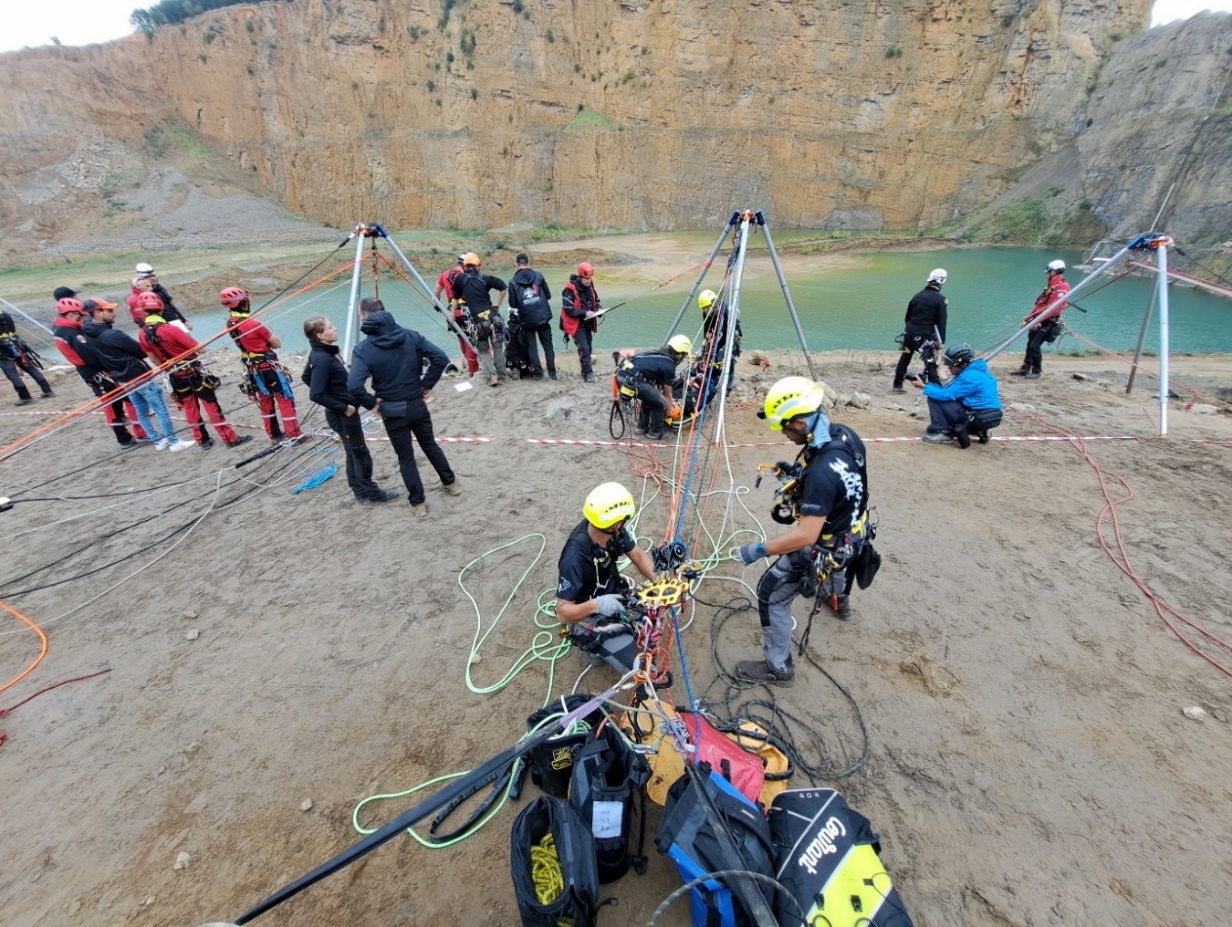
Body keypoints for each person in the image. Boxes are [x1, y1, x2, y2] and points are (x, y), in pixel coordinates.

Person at [735, 377, 872, 686]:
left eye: (785, 427)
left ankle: (777, 667)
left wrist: (759, 550)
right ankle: (840, 601)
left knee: (772, 594)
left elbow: (806, 536)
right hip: (853, 532)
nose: (784, 433)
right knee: (838, 562)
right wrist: (798, 472)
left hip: (824, 544)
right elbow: (847, 484)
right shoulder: (844, 435)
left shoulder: (822, 474)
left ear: (800, 422)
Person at [347, 299, 461, 517]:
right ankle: (451, 483)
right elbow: (440, 358)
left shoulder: (363, 348)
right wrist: (426, 384)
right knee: (430, 445)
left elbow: (353, 386)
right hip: (415, 404)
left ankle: (418, 504)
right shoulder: (411, 335)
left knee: (405, 456)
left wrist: (371, 403)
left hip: (392, 410)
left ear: (366, 319)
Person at [555, 482, 657, 674]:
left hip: (614, 594)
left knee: (652, 626)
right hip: (587, 613)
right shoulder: (574, 558)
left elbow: (638, 556)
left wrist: (661, 582)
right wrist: (597, 605)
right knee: (643, 669)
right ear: (617, 523)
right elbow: (562, 612)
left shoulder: (612, 531)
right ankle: (594, 646)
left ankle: (613, 639)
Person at [136, 292, 252, 451]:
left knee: (190, 408)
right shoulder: (171, 329)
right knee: (211, 405)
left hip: (174, 375)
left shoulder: (142, 334)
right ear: (161, 308)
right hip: (193, 372)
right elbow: (201, 350)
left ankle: (202, 440)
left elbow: (155, 360)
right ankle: (229, 438)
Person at [302, 316, 398, 504]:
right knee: (360, 453)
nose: (335, 328)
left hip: (343, 412)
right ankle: (372, 494)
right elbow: (315, 394)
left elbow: (307, 377)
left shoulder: (321, 353)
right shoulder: (323, 359)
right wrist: (343, 406)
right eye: (330, 327)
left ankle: (359, 492)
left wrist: (334, 391)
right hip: (343, 415)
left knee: (353, 451)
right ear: (320, 335)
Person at [82, 300, 193, 451]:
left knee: (141, 409)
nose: (114, 313)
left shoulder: (88, 333)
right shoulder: (113, 334)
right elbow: (141, 351)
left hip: (121, 378)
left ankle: (158, 441)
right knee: (160, 409)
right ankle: (173, 442)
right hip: (137, 375)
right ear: (97, 313)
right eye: (109, 311)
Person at [53, 296, 147, 448]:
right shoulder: (73, 334)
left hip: (94, 372)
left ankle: (132, 434)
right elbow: (90, 356)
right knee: (118, 403)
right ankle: (130, 437)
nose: (85, 319)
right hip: (96, 373)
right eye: (82, 316)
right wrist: (110, 366)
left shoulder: (63, 330)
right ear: (71, 314)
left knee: (120, 402)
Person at [221, 286, 305, 444]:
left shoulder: (230, 323)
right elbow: (276, 343)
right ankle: (294, 435)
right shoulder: (252, 324)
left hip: (253, 369)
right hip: (268, 367)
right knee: (284, 399)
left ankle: (274, 435)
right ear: (243, 303)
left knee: (266, 401)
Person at [910, 343, 1003, 448]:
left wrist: (923, 386)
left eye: (951, 365)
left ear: (962, 364)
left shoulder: (969, 376)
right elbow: (951, 390)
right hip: (984, 414)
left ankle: (942, 432)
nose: (949, 368)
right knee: (947, 398)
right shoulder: (979, 371)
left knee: (934, 398)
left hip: (976, 416)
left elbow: (944, 395)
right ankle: (980, 431)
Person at [614, 336, 693, 439]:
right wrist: (668, 418)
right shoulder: (668, 366)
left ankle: (642, 427)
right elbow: (668, 395)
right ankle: (655, 432)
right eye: (683, 356)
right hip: (631, 381)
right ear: (679, 355)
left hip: (622, 376)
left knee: (650, 398)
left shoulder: (657, 354)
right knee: (661, 402)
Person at [454, 253, 508, 387]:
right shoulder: (485, 278)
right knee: (497, 347)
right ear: (478, 265)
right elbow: (503, 288)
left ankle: (492, 375)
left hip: (478, 323)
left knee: (483, 350)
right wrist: (497, 304)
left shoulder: (461, 279)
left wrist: (451, 315)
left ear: (465, 267)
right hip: (492, 318)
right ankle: (502, 374)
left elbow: (455, 298)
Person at [892, 268, 948, 393]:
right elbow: (941, 322)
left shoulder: (917, 296)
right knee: (930, 362)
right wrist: (940, 341)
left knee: (905, 359)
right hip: (925, 337)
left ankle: (897, 385)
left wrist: (910, 330)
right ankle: (937, 390)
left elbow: (907, 317)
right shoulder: (941, 300)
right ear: (941, 282)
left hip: (909, 334)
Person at [1014, 259, 1070, 379]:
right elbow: (1039, 304)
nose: (1046, 273)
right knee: (1030, 344)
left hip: (1048, 322)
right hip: (1038, 319)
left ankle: (1037, 370)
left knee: (1035, 346)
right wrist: (1028, 319)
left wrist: (1037, 321)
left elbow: (1054, 308)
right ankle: (1026, 367)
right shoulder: (1051, 286)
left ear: (1054, 271)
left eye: (1048, 271)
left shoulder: (1062, 286)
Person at [507, 253, 555, 380]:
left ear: (516, 264)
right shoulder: (538, 275)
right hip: (543, 317)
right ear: (528, 262)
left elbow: (512, 304)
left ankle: (539, 374)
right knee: (548, 346)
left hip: (526, 319)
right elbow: (548, 295)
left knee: (532, 348)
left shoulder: (512, 282)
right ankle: (552, 374)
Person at [436, 254, 480, 377]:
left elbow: (436, 291)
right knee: (472, 339)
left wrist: (437, 304)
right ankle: (473, 370)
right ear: (465, 265)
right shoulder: (466, 276)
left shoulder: (445, 274)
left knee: (462, 339)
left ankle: (468, 364)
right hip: (467, 311)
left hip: (453, 313)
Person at [0, 308, 55, 405]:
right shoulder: (5, 314)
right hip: (16, 344)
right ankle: (47, 390)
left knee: (12, 373)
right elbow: (12, 329)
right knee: (29, 367)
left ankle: (25, 397)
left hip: (3, 350)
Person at [561, 261, 602, 382]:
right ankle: (588, 374)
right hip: (576, 323)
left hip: (587, 322)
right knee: (583, 347)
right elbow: (568, 309)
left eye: (590, 278)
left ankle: (585, 371)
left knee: (588, 347)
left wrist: (599, 310)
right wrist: (584, 313)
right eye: (586, 278)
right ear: (580, 276)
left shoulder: (590, 286)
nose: (588, 281)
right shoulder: (569, 290)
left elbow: (596, 300)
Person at [128, 265, 191, 330]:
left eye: (153, 275)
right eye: (148, 277)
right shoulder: (145, 296)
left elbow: (171, 305)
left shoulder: (160, 288)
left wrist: (184, 321)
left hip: (174, 322)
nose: (153, 278)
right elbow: (142, 318)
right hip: (163, 326)